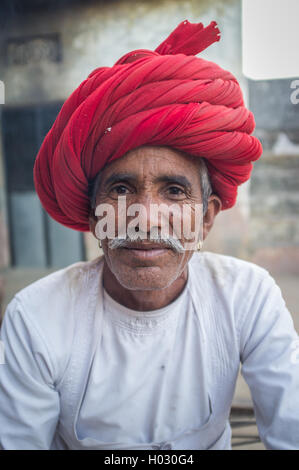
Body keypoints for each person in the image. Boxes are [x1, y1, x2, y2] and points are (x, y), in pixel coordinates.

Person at [0, 20, 298, 450]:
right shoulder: (37, 316)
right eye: (121, 189)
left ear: (206, 217)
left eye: (174, 192)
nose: (145, 217)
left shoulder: (247, 297)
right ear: (92, 211)